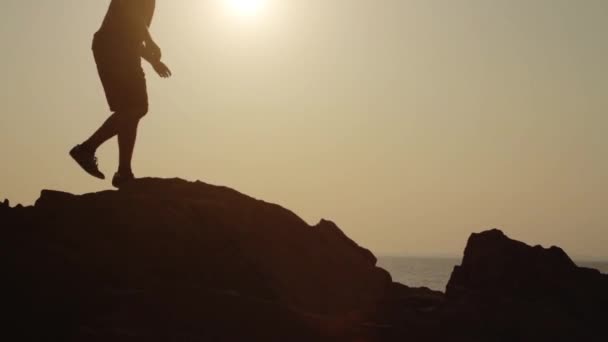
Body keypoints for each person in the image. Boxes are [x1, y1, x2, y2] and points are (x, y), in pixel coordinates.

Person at [70, 0, 171, 188]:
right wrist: (150, 41)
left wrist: (152, 61)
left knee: (130, 111)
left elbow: (132, 33)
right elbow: (131, 13)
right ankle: (87, 148)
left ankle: (124, 171)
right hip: (115, 48)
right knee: (137, 108)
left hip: (118, 48)